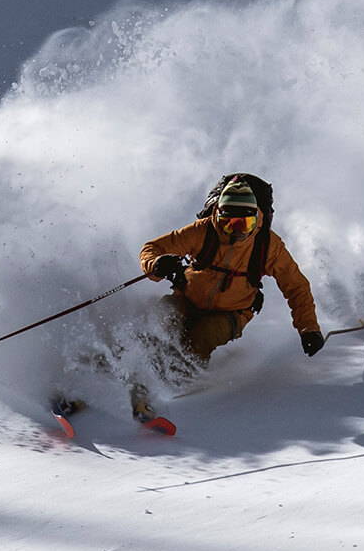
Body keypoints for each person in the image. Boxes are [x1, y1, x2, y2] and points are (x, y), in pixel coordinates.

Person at [131, 176, 323, 417]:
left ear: (257, 219)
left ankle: (167, 387)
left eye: (245, 224)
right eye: (229, 223)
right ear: (217, 216)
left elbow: (296, 286)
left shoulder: (268, 246)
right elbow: (152, 249)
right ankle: (118, 362)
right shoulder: (203, 231)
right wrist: (157, 263)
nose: (237, 232)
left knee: (202, 336)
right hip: (187, 300)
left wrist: (309, 329)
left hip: (232, 313)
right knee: (159, 318)